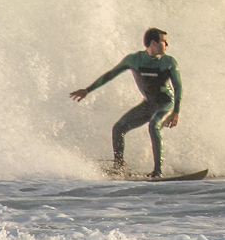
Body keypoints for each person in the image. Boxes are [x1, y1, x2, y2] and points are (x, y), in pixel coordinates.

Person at [70, 27, 181, 178]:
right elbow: (111, 74)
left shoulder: (169, 62)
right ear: (154, 43)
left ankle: (157, 171)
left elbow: (178, 88)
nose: (167, 46)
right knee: (118, 128)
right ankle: (119, 165)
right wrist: (88, 90)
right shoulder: (134, 60)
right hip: (148, 104)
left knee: (153, 126)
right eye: (164, 42)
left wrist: (176, 112)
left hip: (165, 104)